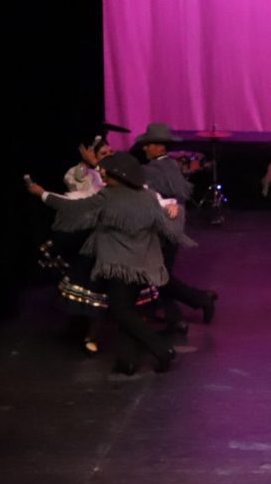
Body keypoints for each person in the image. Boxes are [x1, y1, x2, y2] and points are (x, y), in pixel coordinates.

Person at [26, 152, 185, 375]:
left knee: (121, 311)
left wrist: (42, 194)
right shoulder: (148, 196)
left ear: (119, 176)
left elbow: (73, 207)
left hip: (121, 266)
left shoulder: (108, 197)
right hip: (144, 266)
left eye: (106, 172)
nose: (102, 174)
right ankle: (127, 362)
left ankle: (161, 348)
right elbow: (167, 216)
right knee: (128, 311)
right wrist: (175, 209)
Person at [133, 122, 217, 333]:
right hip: (172, 226)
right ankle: (177, 317)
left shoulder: (152, 170)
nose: (145, 148)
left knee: (159, 275)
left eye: (148, 144)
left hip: (163, 228)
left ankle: (199, 301)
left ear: (159, 147)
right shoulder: (170, 165)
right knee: (160, 275)